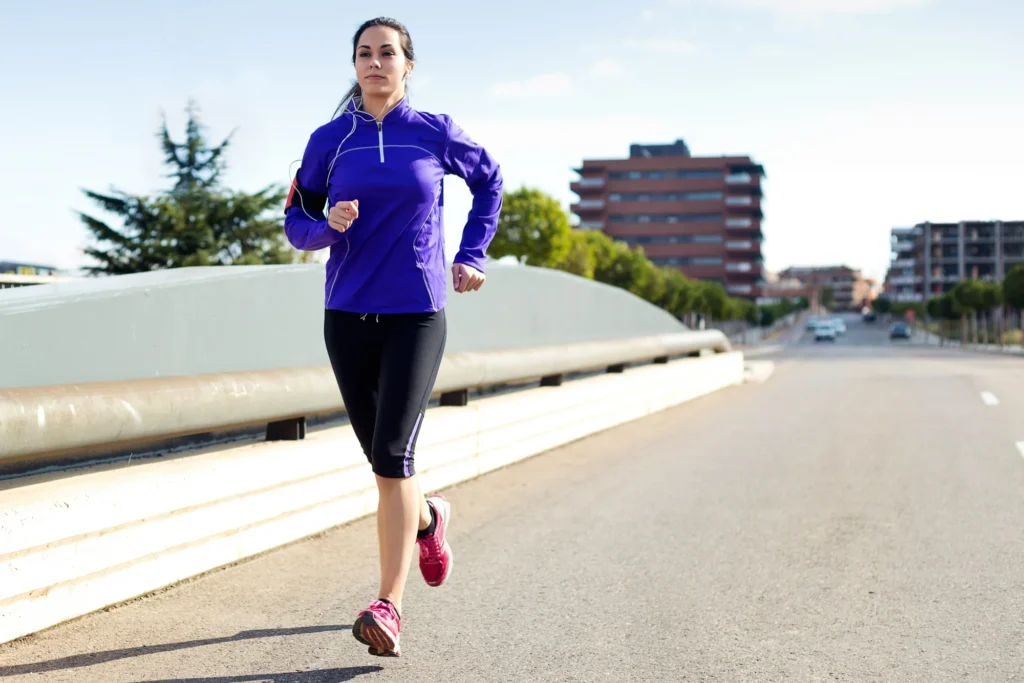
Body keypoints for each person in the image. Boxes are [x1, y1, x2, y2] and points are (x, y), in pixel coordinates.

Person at [282, 16, 502, 658]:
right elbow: (296, 221)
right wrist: (329, 225)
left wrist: (473, 253)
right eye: (364, 54)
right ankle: (430, 520)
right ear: (354, 66)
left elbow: (488, 181)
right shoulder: (329, 141)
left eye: (387, 53)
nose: (375, 63)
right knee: (384, 460)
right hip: (346, 315)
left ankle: (389, 606)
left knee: (391, 458)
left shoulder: (433, 133)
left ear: (408, 65)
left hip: (416, 313)